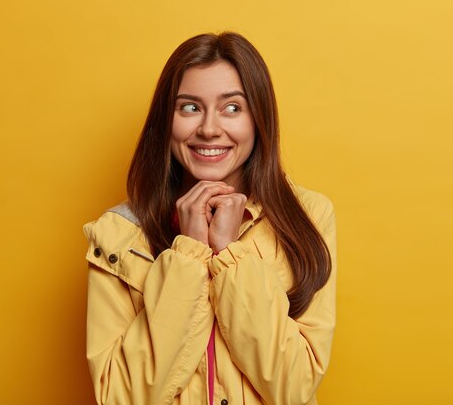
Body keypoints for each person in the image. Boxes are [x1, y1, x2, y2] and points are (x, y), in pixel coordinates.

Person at [83, 32, 337, 405]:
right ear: (166, 121)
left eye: (232, 108)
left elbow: (294, 388)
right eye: (189, 107)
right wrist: (190, 254)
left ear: (258, 119)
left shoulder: (307, 216)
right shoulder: (119, 235)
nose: (208, 128)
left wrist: (229, 255)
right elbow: (122, 398)